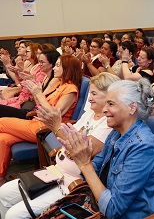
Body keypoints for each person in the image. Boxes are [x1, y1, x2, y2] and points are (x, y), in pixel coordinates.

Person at [0, 72, 120, 219]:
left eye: (94, 94)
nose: (89, 98)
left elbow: (81, 150)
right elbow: (69, 136)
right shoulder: (91, 112)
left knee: (14, 215)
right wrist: (55, 125)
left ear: (110, 96)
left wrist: (56, 126)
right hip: (56, 172)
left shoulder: (109, 123)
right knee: (3, 192)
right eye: (90, 92)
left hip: (73, 184)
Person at [56, 79, 154, 218]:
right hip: (97, 204)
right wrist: (84, 155)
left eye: (111, 104)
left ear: (132, 108)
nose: (104, 109)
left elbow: (113, 209)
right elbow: (92, 171)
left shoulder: (144, 147)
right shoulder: (116, 133)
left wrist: (85, 164)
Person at [0, 55, 82, 186]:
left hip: (46, 129)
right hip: (36, 122)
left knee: (1, 122)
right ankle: (1, 178)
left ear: (68, 68)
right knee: (3, 138)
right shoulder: (59, 85)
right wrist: (35, 92)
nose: (55, 67)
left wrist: (38, 94)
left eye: (58, 65)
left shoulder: (70, 90)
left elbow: (52, 116)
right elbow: (40, 105)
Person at [0, 49, 59, 116]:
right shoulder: (44, 74)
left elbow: (40, 98)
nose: (39, 64)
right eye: (39, 61)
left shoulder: (54, 79)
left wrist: (31, 80)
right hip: (29, 104)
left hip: (32, 109)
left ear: (52, 64)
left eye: (42, 62)